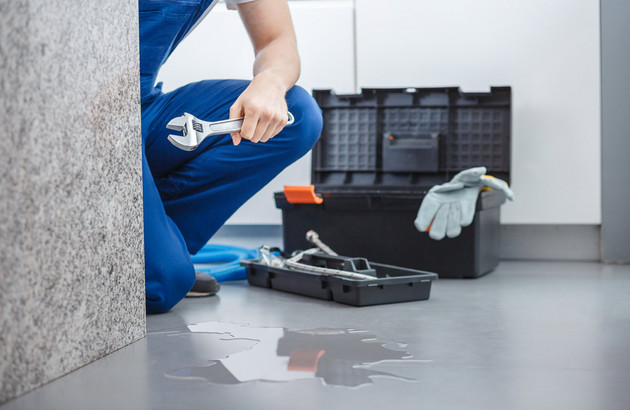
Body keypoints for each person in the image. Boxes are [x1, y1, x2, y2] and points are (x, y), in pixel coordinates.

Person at [139, 0, 323, 313]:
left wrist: (271, 81)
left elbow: (277, 39)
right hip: (74, 113)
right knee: (162, 285)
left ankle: (159, 251)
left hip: (141, 109)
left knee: (298, 114)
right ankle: (157, 261)